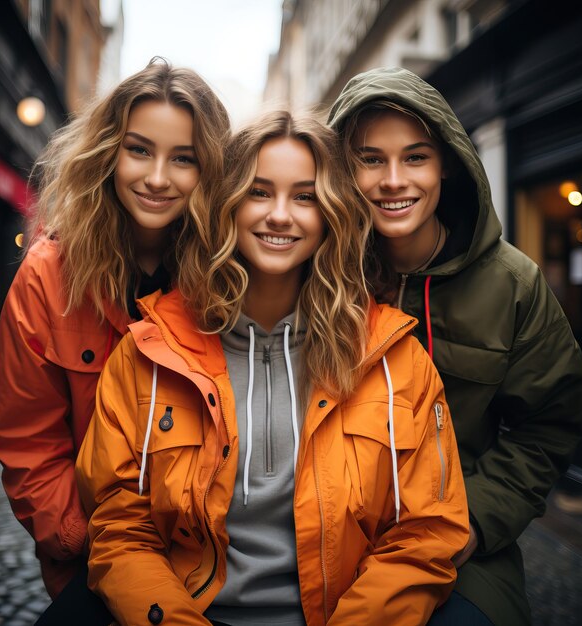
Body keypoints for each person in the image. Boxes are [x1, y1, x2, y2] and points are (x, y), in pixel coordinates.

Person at [75, 110, 469, 626]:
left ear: (331, 214)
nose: (280, 215)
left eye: (305, 196)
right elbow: (119, 525)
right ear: (228, 206)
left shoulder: (394, 357)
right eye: (259, 192)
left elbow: (427, 532)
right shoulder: (150, 352)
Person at [328, 66, 582, 625]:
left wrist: (474, 522)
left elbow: (552, 421)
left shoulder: (511, 283)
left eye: (415, 157)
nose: (393, 179)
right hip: (326, 534)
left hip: (461, 545)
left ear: (446, 163)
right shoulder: (320, 276)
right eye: (370, 159)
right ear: (343, 170)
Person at [0, 57, 230, 611]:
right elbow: (30, 449)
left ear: (211, 170)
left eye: (184, 159)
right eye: (139, 149)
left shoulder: (225, 274)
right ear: (109, 151)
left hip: (214, 562)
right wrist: (93, 548)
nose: (156, 177)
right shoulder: (49, 276)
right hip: (93, 561)